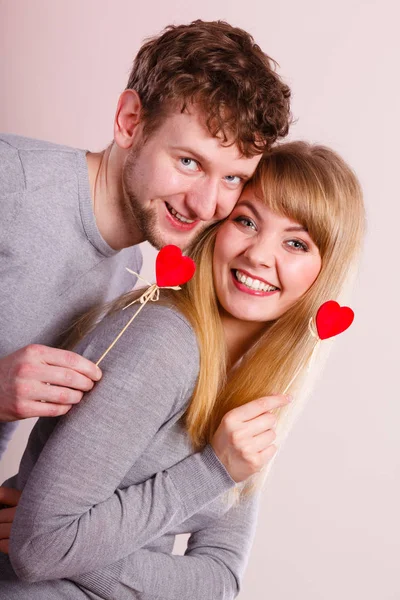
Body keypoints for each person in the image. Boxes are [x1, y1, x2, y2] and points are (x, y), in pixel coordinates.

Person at [0, 142, 365, 599]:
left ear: (323, 271)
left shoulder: (257, 382)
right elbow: (40, 550)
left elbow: (220, 582)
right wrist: (212, 470)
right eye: (246, 222)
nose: (258, 255)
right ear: (217, 228)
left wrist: (82, 553)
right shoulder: (165, 341)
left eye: (295, 243)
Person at [0, 19, 291, 457]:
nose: (206, 205)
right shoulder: (10, 181)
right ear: (130, 122)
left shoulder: (128, 272)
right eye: (189, 162)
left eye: (232, 177)